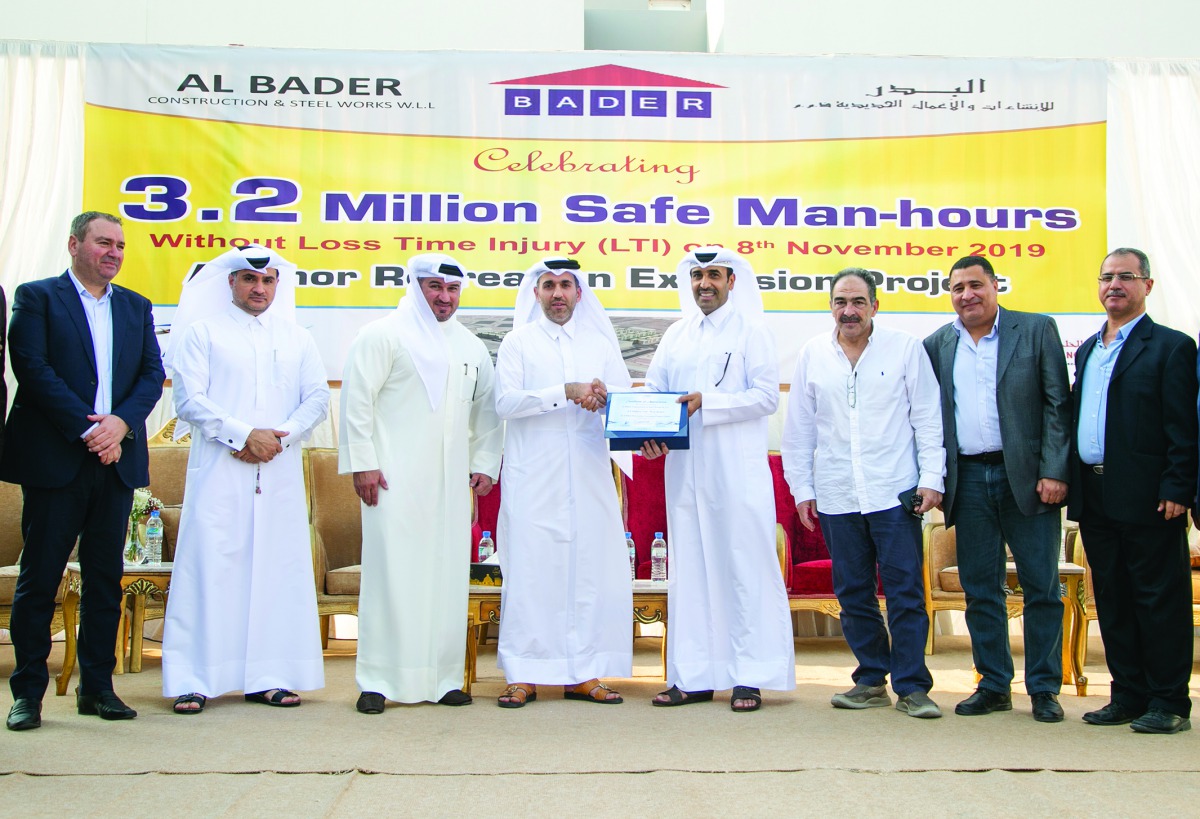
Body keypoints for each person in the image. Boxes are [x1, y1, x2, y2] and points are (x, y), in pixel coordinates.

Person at [3, 212, 164, 731]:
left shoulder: (137, 307)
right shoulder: (38, 297)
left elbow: (150, 375)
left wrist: (118, 425)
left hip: (115, 461)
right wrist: (89, 430)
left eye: (120, 244)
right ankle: (28, 692)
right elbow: (31, 366)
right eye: (103, 242)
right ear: (74, 244)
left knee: (105, 581)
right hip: (57, 461)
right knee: (40, 578)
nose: (114, 252)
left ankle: (98, 688)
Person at [160, 245, 330, 714]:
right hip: (221, 467)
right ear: (231, 283)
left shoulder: (298, 338)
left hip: (278, 468)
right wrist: (242, 434)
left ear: (278, 285)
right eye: (250, 280)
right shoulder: (202, 333)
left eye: (269, 280)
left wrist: (280, 436)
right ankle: (194, 678)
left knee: (276, 570)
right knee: (210, 568)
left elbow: (316, 398)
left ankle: (269, 676)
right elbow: (190, 400)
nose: (260, 288)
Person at [339, 253, 502, 712]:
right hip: (391, 480)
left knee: (447, 577)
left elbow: (487, 413)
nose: (444, 298)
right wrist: (362, 464)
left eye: (452, 290)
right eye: (435, 288)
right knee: (393, 575)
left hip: (451, 485)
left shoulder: (470, 346)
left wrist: (486, 462)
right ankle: (378, 680)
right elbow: (357, 403)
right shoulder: (381, 335)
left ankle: (445, 677)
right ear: (415, 287)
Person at [782, 267, 944, 719]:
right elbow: (798, 431)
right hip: (836, 492)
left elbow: (928, 419)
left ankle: (912, 686)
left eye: (858, 302)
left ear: (875, 305)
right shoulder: (814, 353)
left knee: (905, 591)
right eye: (840, 302)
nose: (848, 311)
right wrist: (802, 489)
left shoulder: (906, 349)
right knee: (852, 592)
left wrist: (932, 478)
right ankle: (871, 678)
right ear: (830, 307)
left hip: (894, 492)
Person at [640, 246, 795, 713]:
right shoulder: (677, 333)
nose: (704, 283)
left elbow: (766, 397)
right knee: (689, 570)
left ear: (732, 280)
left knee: (742, 567)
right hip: (685, 470)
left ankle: (750, 676)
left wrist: (709, 401)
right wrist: (649, 432)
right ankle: (694, 676)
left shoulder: (754, 332)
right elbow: (654, 391)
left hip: (737, 471)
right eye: (697, 276)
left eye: (714, 275)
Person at [923, 255, 1071, 723]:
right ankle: (992, 685)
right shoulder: (937, 345)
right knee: (980, 588)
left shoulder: (1035, 330)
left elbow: (1056, 404)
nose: (966, 295)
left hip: (1027, 478)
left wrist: (1054, 470)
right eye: (957, 288)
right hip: (967, 480)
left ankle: (1045, 688)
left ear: (995, 286)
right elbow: (931, 419)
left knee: (1041, 586)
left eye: (975, 285)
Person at [493, 257, 632, 708]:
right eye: (549, 285)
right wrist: (566, 392)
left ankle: (583, 673)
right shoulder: (518, 342)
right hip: (534, 473)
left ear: (579, 293)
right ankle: (524, 672)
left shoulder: (600, 343)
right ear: (536, 293)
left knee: (588, 570)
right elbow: (506, 403)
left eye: (566, 285)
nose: (557, 293)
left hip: (589, 470)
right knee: (532, 570)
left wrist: (604, 400)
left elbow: (624, 405)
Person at [1068, 248, 1197, 735]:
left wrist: (1178, 487)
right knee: (1115, 599)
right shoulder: (1088, 349)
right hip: (1096, 493)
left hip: (1151, 497)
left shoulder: (1171, 347)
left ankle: (1169, 702)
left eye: (1126, 276)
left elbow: (1182, 426)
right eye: (1106, 277)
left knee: (1158, 600)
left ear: (1148, 286)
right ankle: (1127, 694)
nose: (1114, 285)